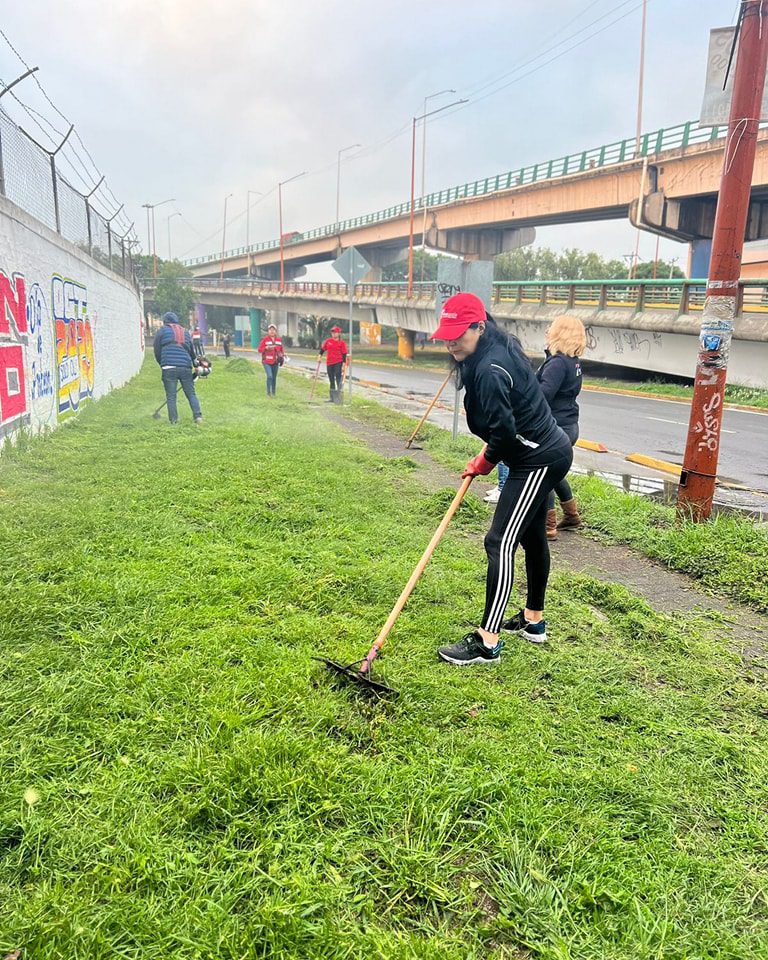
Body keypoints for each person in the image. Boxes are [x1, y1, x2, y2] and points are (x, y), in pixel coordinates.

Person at [431, 293, 573, 666]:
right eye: (446, 334)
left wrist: (485, 461)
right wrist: (489, 455)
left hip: (536, 459)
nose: (451, 342)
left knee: (499, 541)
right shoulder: (491, 349)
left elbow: (505, 434)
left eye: (458, 334)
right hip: (545, 452)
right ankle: (533, 623)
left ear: (479, 326)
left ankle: (488, 641)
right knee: (531, 535)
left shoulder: (491, 369)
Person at [536, 315, 585, 538]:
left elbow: (543, 396)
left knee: (543, 472)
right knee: (555, 471)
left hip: (553, 427)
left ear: (560, 333)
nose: (548, 331)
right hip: (569, 424)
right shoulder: (573, 362)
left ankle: (548, 526)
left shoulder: (557, 363)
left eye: (551, 328)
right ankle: (572, 516)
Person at [153, 312, 203, 424]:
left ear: (165, 321)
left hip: (169, 367)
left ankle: (174, 421)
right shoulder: (185, 332)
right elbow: (191, 351)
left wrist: (162, 363)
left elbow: (157, 350)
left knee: (171, 396)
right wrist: (196, 366)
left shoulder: (162, 331)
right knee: (191, 393)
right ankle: (198, 417)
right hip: (185, 367)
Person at [319, 326, 348, 402]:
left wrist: (344, 365)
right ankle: (332, 398)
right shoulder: (328, 341)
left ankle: (339, 398)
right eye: (332, 332)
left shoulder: (341, 343)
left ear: (338, 333)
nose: (333, 334)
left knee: (338, 379)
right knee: (331, 380)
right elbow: (322, 349)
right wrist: (319, 356)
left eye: (335, 332)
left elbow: (344, 354)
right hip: (329, 363)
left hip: (338, 362)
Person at [257, 323, 285, 396]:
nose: (272, 331)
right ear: (268, 331)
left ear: (275, 331)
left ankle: (273, 392)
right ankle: (268, 392)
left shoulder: (279, 340)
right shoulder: (265, 340)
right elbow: (259, 350)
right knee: (270, 376)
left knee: (274, 378)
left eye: (273, 330)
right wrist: (265, 348)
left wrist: (282, 357)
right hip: (266, 361)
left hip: (275, 362)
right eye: (270, 330)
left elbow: (281, 350)